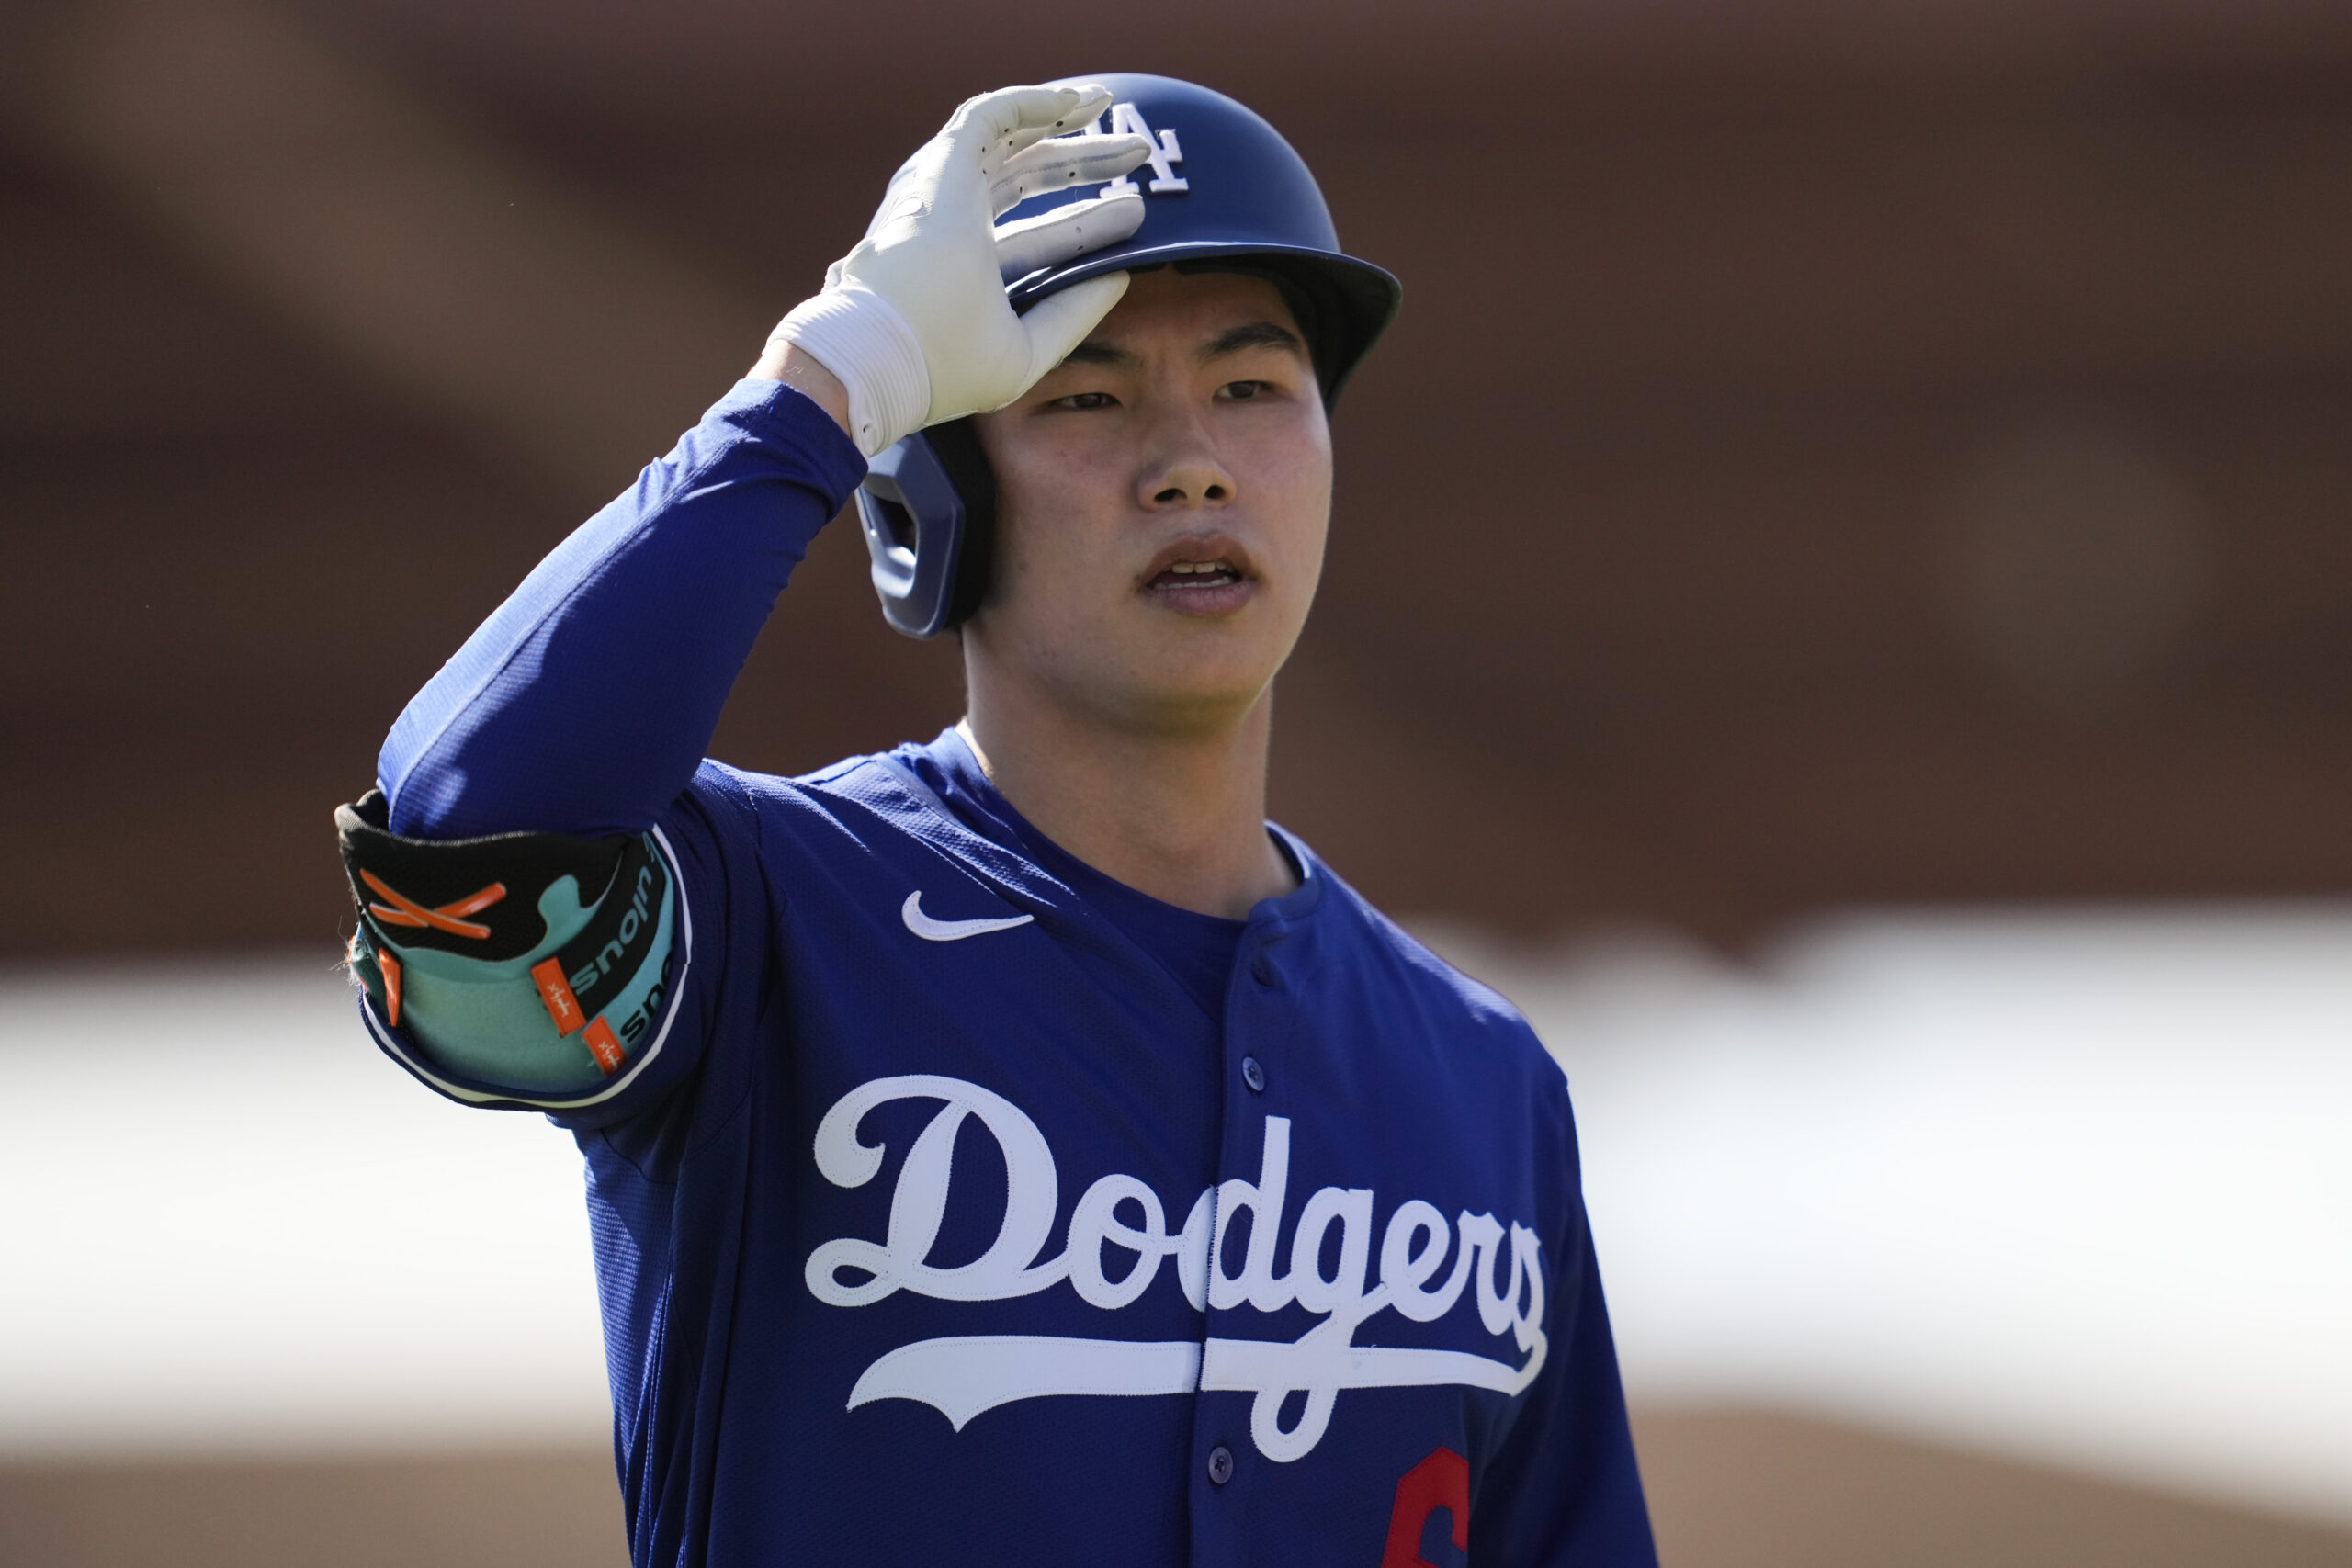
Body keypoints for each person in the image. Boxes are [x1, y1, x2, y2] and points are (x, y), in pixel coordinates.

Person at [335, 73, 1657, 1566]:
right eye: (1087, 396)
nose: (1192, 462)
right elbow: (464, 841)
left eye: (1253, 386)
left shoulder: (1483, 1082)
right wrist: (830, 382)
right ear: (929, 507)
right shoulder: (770, 918)